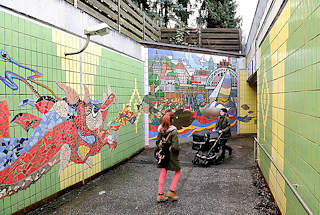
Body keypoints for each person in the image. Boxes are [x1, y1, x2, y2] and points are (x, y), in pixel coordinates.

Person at [156, 112, 181, 202]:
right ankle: (171, 191)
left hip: (162, 155)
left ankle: (160, 194)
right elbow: (175, 147)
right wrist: (177, 148)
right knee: (178, 170)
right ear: (172, 120)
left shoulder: (161, 130)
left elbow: (157, 142)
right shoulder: (173, 131)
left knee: (163, 171)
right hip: (171, 156)